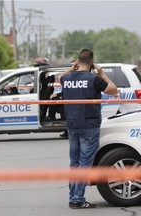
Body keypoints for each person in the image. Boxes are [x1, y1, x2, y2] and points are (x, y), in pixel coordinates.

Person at [60, 49, 118, 209]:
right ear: (92, 62)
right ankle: (77, 199)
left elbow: (60, 78)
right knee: (84, 163)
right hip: (89, 126)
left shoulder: (67, 78)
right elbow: (114, 91)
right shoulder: (94, 79)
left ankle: (73, 197)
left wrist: (72, 68)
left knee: (74, 163)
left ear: (77, 61)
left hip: (72, 125)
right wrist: (102, 73)